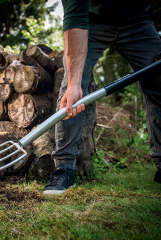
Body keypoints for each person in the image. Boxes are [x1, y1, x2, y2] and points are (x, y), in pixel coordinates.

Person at [43, 0, 161, 195]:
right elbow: (75, 18)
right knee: (72, 90)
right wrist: (74, 84)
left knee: (158, 82)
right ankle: (64, 168)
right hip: (92, 21)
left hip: (139, 21)